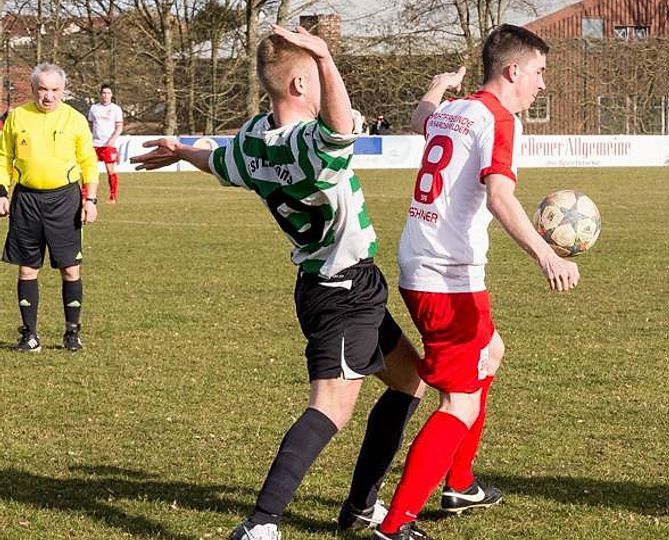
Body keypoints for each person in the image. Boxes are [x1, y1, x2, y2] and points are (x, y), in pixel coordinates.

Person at [131, 25, 426, 540]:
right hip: (340, 289)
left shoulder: (252, 140)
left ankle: (361, 504)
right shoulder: (310, 145)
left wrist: (181, 151)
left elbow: (218, 161)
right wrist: (325, 57)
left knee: (410, 380)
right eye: (318, 77)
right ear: (299, 84)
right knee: (330, 407)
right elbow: (340, 128)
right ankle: (261, 524)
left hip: (342, 285)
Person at [374, 24, 580, 540]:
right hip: (446, 278)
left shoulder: (455, 110)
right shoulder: (500, 120)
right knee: (459, 402)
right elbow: (500, 197)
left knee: (492, 350)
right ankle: (395, 525)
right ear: (513, 71)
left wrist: (438, 85)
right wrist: (546, 255)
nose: (542, 83)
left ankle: (460, 483)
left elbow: (420, 118)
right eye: (538, 72)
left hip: (429, 265)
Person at [0, 63, 99, 353]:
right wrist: (2, 192)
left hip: (64, 201)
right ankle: (30, 336)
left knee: (70, 268)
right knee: (27, 268)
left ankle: (72, 333)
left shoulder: (75, 119)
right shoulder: (17, 117)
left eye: (55, 89)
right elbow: (4, 157)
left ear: (63, 90)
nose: (48, 96)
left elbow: (88, 161)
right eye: (43, 89)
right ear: (33, 89)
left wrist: (90, 199)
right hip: (27, 200)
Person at [87, 83, 124, 203]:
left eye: (108, 93)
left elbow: (119, 127)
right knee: (90, 171)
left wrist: (112, 139)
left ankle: (113, 196)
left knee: (110, 171)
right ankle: (87, 196)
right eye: (103, 93)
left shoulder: (116, 109)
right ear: (100, 94)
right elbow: (90, 124)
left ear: (111, 95)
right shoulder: (94, 108)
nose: (106, 95)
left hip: (108, 146)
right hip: (95, 144)